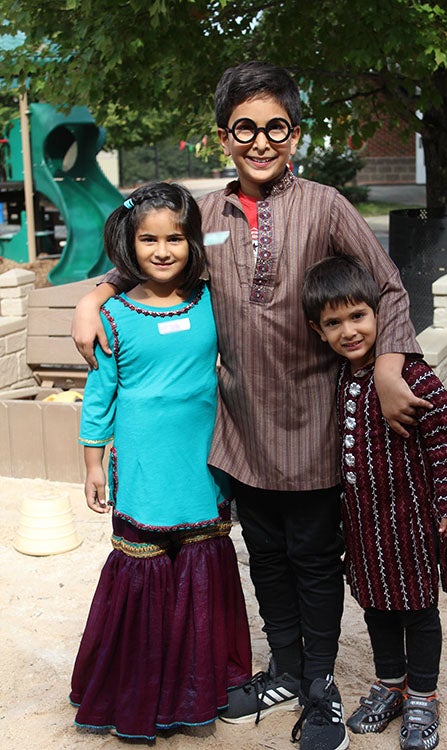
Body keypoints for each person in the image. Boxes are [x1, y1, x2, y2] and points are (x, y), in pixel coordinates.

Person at [71, 62, 432, 750]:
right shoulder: (203, 212)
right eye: (246, 128)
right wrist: (92, 297)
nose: (261, 141)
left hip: (316, 423)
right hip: (237, 431)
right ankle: (287, 669)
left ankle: (319, 683)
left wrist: (388, 366)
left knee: (315, 557)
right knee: (264, 555)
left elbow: (388, 288)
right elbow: (147, 260)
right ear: (223, 137)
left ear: (294, 134)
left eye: (276, 127)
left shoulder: (325, 206)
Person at [69, 182, 252, 740]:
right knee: (144, 572)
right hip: (144, 471)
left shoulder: (211, 301)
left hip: (201, 467)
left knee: (200, 572)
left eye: (176, 237)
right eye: (149, 239)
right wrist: (93, 464)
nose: (163, 249)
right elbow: (99, 397)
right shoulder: (114, 316)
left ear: (192, 241)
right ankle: (138, 696)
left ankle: (198, 694)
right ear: (129, 244)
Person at [301, 254, 447, 750]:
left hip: (412, 525)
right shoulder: (339, 377)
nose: (348, 331)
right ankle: (391, 686)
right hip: (363, 528)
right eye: (333, 323)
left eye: (357, 316)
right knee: (377, 609)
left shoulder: (412, 377)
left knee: (419, 610)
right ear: (319, 332)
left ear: (380, 313)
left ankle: (423, 696)